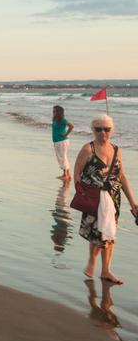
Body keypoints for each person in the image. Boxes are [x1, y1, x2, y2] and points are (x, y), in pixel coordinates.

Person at [73, 115, 137, 285]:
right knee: (97, 233)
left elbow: (121, 176)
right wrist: (82, 195)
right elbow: (77, 174)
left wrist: (133, 202)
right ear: (93, 130)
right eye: (98, 129)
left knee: (109, 233)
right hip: (93, 198)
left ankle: (106, 270)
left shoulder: (117, 150)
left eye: (106, 129)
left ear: (112, 130)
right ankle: (93, 261)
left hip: (113, 198)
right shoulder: (88, 149)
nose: (103, 132)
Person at [52, 105, 74, 182]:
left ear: (58, 112)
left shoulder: (63, 120)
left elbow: (71, 126)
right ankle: (67, 174)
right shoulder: (54, 119)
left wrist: (66, 134)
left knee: (63, 157)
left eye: (54, 111)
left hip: (62, 141)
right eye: (53, 111)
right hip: (57, 141)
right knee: (60, 157)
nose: (53, 113)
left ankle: (66, 175)